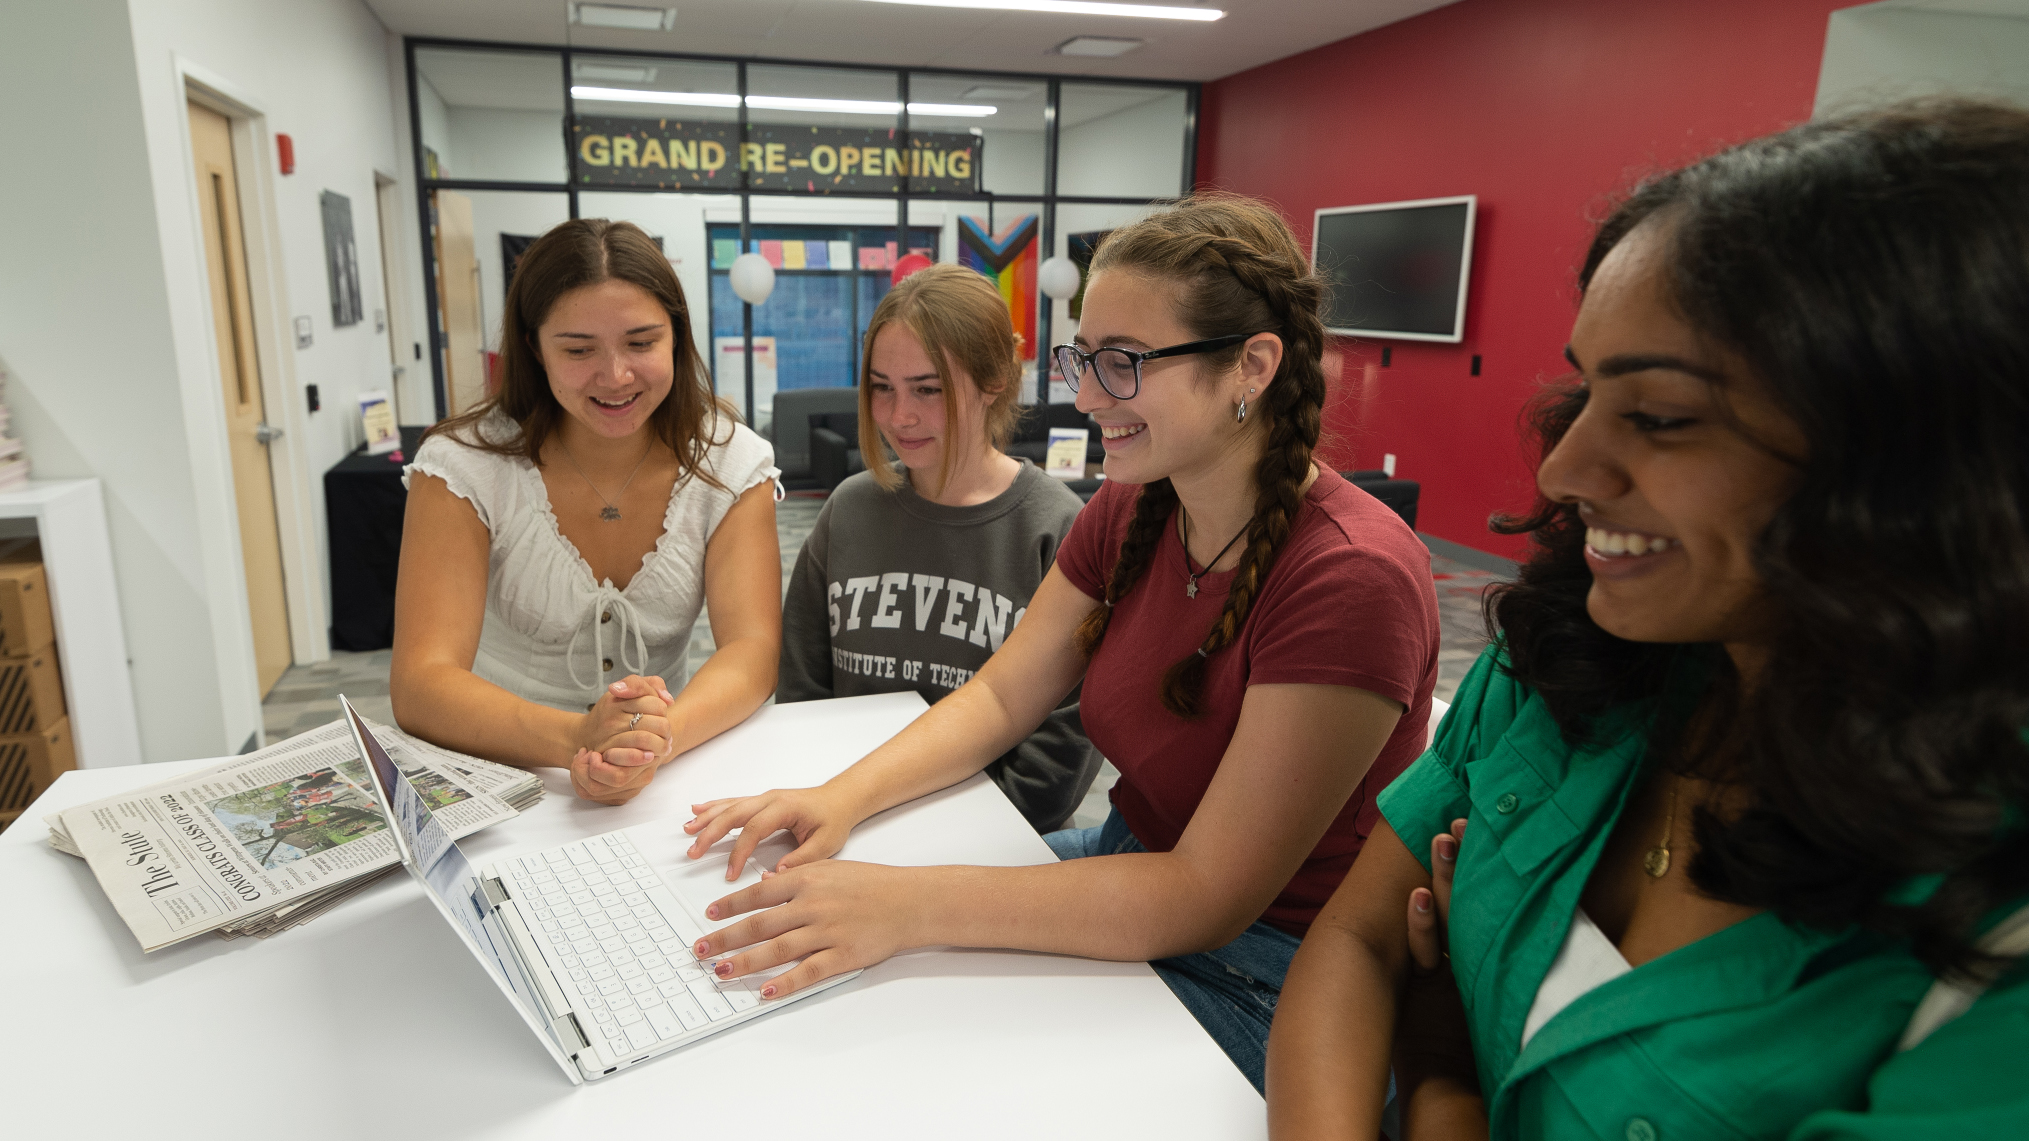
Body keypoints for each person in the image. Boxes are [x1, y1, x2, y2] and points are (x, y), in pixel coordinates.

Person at [1266, 100, 2029, 1139]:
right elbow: (1360, 940)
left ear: (1931, 466)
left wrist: (1441, 1073)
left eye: (1661, 417)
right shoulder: (1573, 653)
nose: (1563, 469)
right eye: (1584, 393)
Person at [679, 195, 1441, 1091]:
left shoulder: (1352, 577)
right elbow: (1003, 696)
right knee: (849, 989)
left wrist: (907, 902)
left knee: (941, 1066)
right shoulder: (1133, 505)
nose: (1082, 397)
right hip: (1130, 866)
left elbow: (1205, 894)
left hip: (1271, 963)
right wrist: (839, 798)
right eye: (1084, 358)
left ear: (1252, 365)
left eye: (1120, 364)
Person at [391, 219, 782, 806]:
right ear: (533, 347)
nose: (616, 376)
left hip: (661, 767)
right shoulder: (460, 466)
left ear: (677, 337)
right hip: (491, 771)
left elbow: (752, 652)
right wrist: (579, 739)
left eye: (642, 343)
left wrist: (650, 745)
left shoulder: (732, 461)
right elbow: (422, 683)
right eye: (578, 350)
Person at [777, 263, 1099, 832]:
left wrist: (922, 844)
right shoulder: (849, 510)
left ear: (995, 377)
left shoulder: (1056, 529)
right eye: (882, 388)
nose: (900, 416)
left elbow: (1057, 759)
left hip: (988, 851)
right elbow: (801, 695)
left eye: (928, 389)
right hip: (840, 827)